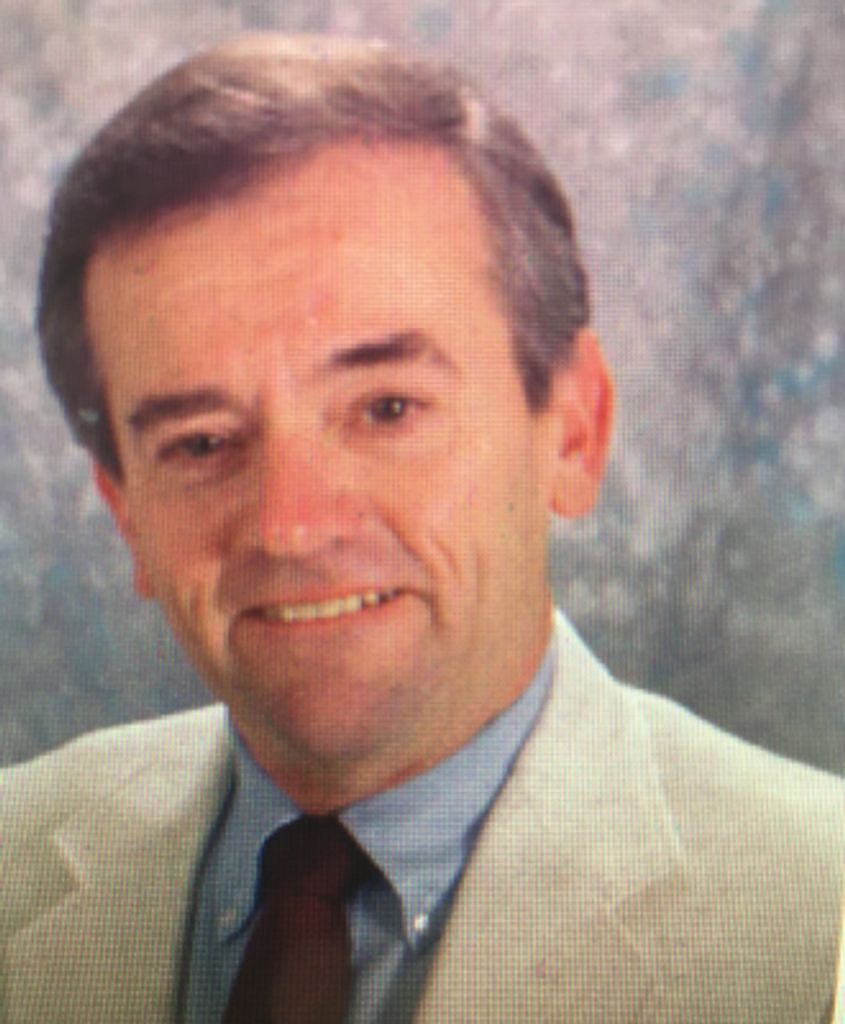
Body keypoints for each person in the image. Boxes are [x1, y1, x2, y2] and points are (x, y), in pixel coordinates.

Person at [1, 33, 841, 1024]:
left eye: (386, 409)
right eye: (201, 442)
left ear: (573, 432)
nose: (290, 526)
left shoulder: (814, 915)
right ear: (125, 510)